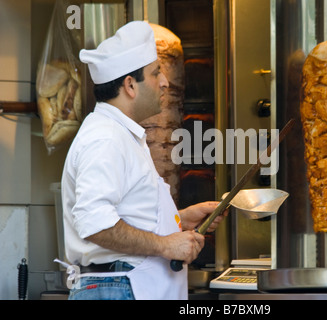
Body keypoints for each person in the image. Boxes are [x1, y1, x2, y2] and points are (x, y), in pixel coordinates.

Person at [61, 21, 226, 300]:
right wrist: (165, 245)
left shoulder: (122, 135)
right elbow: (95, 223)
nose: (164, 82)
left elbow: (127, 213)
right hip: (117, 289)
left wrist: (179, 220)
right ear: (130, 86)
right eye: (155, 73)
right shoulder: (105, 138)